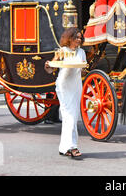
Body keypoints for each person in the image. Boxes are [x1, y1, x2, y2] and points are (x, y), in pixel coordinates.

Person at [45, 27, 86, 158]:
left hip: (76, 86)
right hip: (63, 85)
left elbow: (83, 70)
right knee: (70, 116)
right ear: (69, 39)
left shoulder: (82, 52)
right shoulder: (62, 51)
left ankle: (64, 148)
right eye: (76, 38)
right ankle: (73, 146)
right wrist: (48, 65)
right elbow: (51, 69)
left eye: (80, 38)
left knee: (73, 115)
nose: (79, 40)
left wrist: (85, 68)